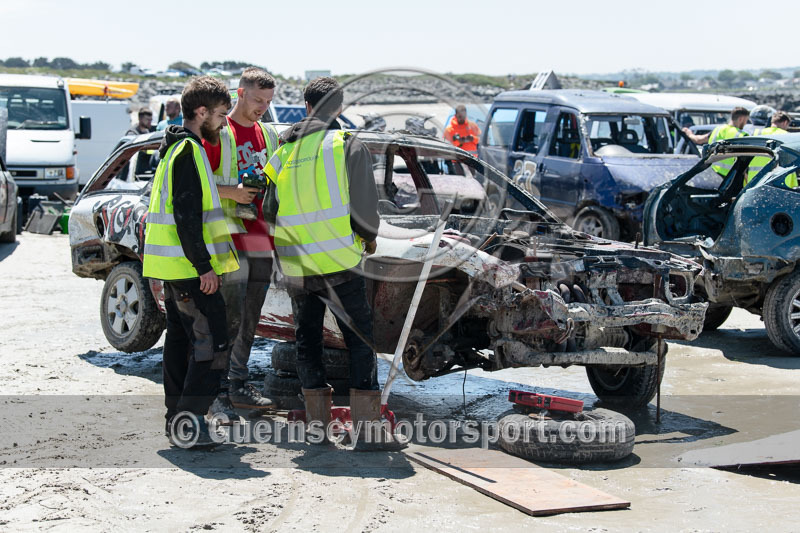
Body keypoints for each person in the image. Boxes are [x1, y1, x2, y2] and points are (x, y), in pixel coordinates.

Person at [263, 77, 398, 449]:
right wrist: (368, 238)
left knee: (307, 338)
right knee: (359, 338)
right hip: (339, 261)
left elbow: (268, 208)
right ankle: (368, 430)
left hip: (296, 265)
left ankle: (317, 427)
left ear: (306, 106)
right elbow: (365, 207)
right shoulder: (344, 144)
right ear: (339, 108)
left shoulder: (285, 149)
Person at [142, 76, 237, 448]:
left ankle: (177, 420)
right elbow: (186, 215)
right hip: (189, 270)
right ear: (201, 112)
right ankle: (191, 423)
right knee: (212, 343)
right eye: (220, 114)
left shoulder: (175, 149)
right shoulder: (188, 151)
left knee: (181, 343)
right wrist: (204, 267)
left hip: (174, 268)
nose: (225, 122)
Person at [203, 67, 280, 412]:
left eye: (268, 101)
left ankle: (237, 384)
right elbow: (198, 182)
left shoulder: (269, 134)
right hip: (229, 238)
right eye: (257, 99)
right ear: (240, 93)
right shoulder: (221, 132)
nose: (263, 107)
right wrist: (232, 193)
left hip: (262, 237)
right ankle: (217, 389)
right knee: (227, 317)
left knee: (250, 317)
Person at [683, 107, 750, 178]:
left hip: (712, 174)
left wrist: (689, 133)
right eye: (746, 121)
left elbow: (698, 140)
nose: (745, 123)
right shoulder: (741, 135)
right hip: (730, 178)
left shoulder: (717, 130)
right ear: (741, 119)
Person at [746, 111, 796, 188]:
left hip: (754, 178)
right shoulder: (787, 136)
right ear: (785, 122)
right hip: (777, 179)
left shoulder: (757, 133)